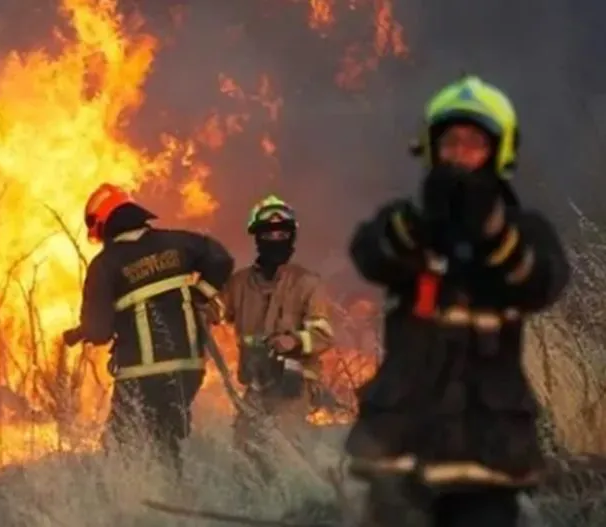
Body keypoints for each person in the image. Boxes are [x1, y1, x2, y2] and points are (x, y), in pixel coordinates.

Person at [344, 75, 570, 527]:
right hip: (400, 453)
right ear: (431, 149)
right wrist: (422, 222)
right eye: (450, 143)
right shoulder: (405, 224)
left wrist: (492, 235)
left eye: (474, 143)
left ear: (499, 151)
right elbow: (371, 254)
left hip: (486, 458)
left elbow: (543, 281)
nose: (461, 155)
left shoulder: (523, 232)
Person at [62, 183, 234, 477]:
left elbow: (99, 330)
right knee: (164, 441)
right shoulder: (178, 243)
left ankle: (141, 507)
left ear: (104, 226)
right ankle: (175, 496)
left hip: (143, 374)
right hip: (189, 368)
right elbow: (221, 258)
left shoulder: (106, 265)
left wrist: (84, 331)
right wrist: (200, 294)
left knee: (120, 447)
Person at [219, 195, 334, 482]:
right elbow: (216, 309)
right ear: (257, 238)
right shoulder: (240, 283)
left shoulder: (307, 283)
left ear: (291, 238)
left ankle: (302, 502)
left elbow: (323, 335)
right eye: (268, 234)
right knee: (244, 448)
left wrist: (294, 341)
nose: (275, 239)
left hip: (293, 385)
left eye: (282, 234)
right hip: (257, 386)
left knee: (283, 448)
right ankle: (254, 504)